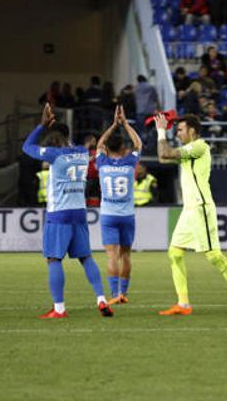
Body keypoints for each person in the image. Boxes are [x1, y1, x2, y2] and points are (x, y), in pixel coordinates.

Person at [154, 112, 227, 316]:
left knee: (214, 256)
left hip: (201, 208)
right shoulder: (187, 150)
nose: (178, 134)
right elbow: (162, 156)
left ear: (192, 130)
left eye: (180, 130)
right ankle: (183, 304)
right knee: (174, 253)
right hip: (188, 210)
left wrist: (162, 131)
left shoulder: (200, 146)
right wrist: (160, 134)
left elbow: (166, 153)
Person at [22, 103, 113, 319]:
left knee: (54, 259)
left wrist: (41, 126)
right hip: (79, 213)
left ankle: (59, 308)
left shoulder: (54, 154)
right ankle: (101, 299)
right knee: (86, 258)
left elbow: (27, 147)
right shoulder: (82, 152)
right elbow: (73, 143)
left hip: (59, 214)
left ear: (53, 139)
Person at [95, 105, 143, 305]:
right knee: (126, 255)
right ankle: (124, 293)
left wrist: (114, 125)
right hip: (127, 216)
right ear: (124, 149)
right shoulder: (129, 163)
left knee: (112, 256)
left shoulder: (102, 163)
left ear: (107, 149)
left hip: (108, 215)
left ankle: (114, 294)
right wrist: (125, 124)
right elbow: (138, 144)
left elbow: (99, 144)